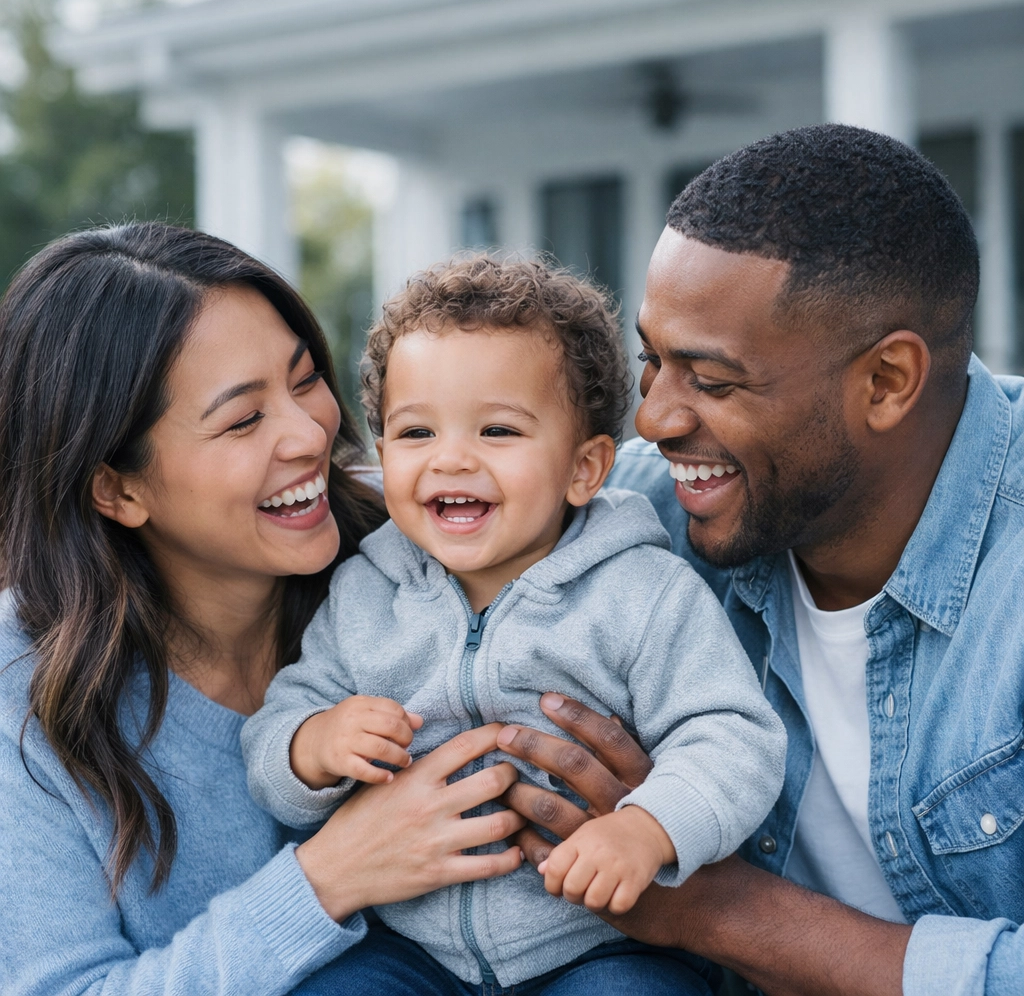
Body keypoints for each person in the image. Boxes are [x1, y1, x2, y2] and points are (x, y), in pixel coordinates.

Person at [493, 123, 1024, 996]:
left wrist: (710, 906)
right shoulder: (632, 517)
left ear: (886, 381)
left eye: (713, 381)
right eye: (651, 363)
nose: (655, 420)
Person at [0, 223, 530, 995]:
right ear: (116, 488)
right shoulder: (21, 694)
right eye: (244, 420)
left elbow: (610, 500)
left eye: (306, 377)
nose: (310, 433)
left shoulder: (422, 538)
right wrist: (327, 878)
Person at [242, 256, 786, 993]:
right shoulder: (367, 590)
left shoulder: (641, 591)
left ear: (585, 469)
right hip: (410, 949)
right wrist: (313, 743)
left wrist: (647, 828)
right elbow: (279, 723)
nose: (452, 459)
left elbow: (731, 735)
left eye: (498, 430)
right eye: (416, 433)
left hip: (597, 943)